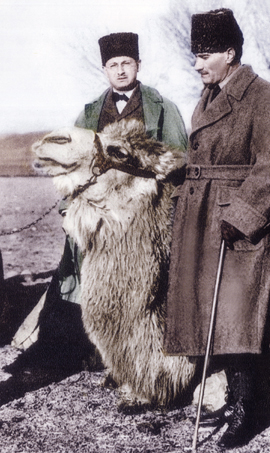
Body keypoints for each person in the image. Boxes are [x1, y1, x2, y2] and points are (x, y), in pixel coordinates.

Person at [164, 9, 270, 449]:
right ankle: (233, 399)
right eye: (195, 55)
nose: (197, 64)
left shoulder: (264, 98)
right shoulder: (208, 95)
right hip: (203, 216)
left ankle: (249, 407)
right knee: (213, 310)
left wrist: (243, 216)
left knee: (238, 312)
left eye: (205, 55)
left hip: (237, 223)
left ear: (230, 53)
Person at [27, 32, 188, 368]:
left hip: (146, 220)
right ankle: (95, 350)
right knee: (88, 280)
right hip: (101, 220)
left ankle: (148, 355)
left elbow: (177, 160)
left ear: (138, 64)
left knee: (148, 287)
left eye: (126, 63)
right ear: (105, 69)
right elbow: (73, 169)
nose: (120, 70)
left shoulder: (162, 109)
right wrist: (68, 210)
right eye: (113, 65)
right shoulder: (90, 113)